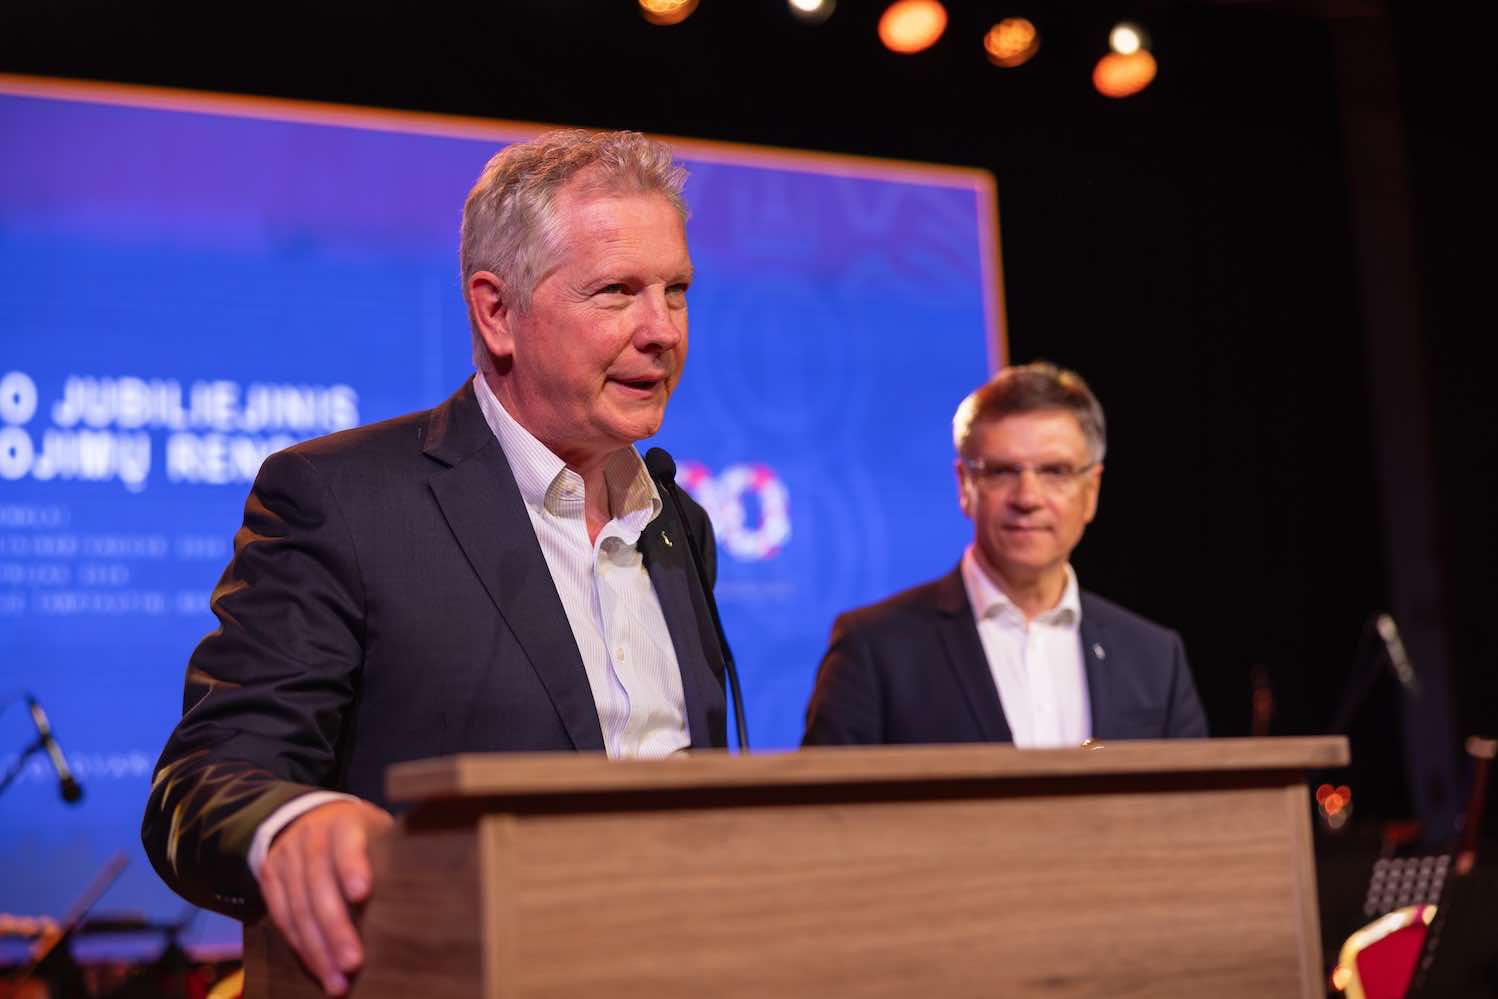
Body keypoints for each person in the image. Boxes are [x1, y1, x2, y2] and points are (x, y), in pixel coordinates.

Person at [142, 130, 727, 996]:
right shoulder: (343, 499)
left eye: (675, 291)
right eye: (617, 292)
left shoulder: (678, 523)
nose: (662, 331)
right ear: (497, 312)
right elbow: (201, 783)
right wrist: (292, 823)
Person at [802, 361, 1206, 748]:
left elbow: (1196, 796)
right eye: (1002, 471)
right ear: (965, 485)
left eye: (1055, 472)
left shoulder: (1155, 660)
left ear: (1091, 491)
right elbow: (829, 797)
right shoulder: (874, 649)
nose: (1028, 498)